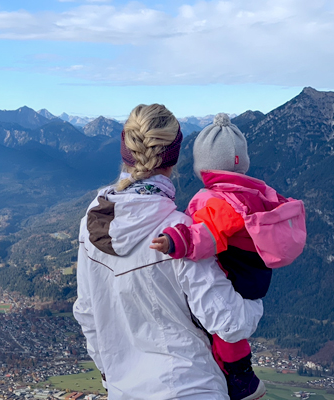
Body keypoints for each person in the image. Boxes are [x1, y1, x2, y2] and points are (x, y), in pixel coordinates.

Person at [73, 104, 264, 400]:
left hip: (125, 390)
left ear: (125, 150)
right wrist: (256, 291)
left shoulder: (91, 225)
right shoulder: (180, 234)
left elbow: (87, 314)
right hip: (191, 387)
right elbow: (229, 322)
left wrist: (110, 375)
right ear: (174, 158)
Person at [150, 113, 306, 400]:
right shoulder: (250, 191)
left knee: (224, 327)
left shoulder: (221, 202)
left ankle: (243, 378)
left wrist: (177, 240)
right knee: (222, 323)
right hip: (255, 271)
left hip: (238, 272)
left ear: (203, 166)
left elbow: (206, 236)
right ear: (241, 162)